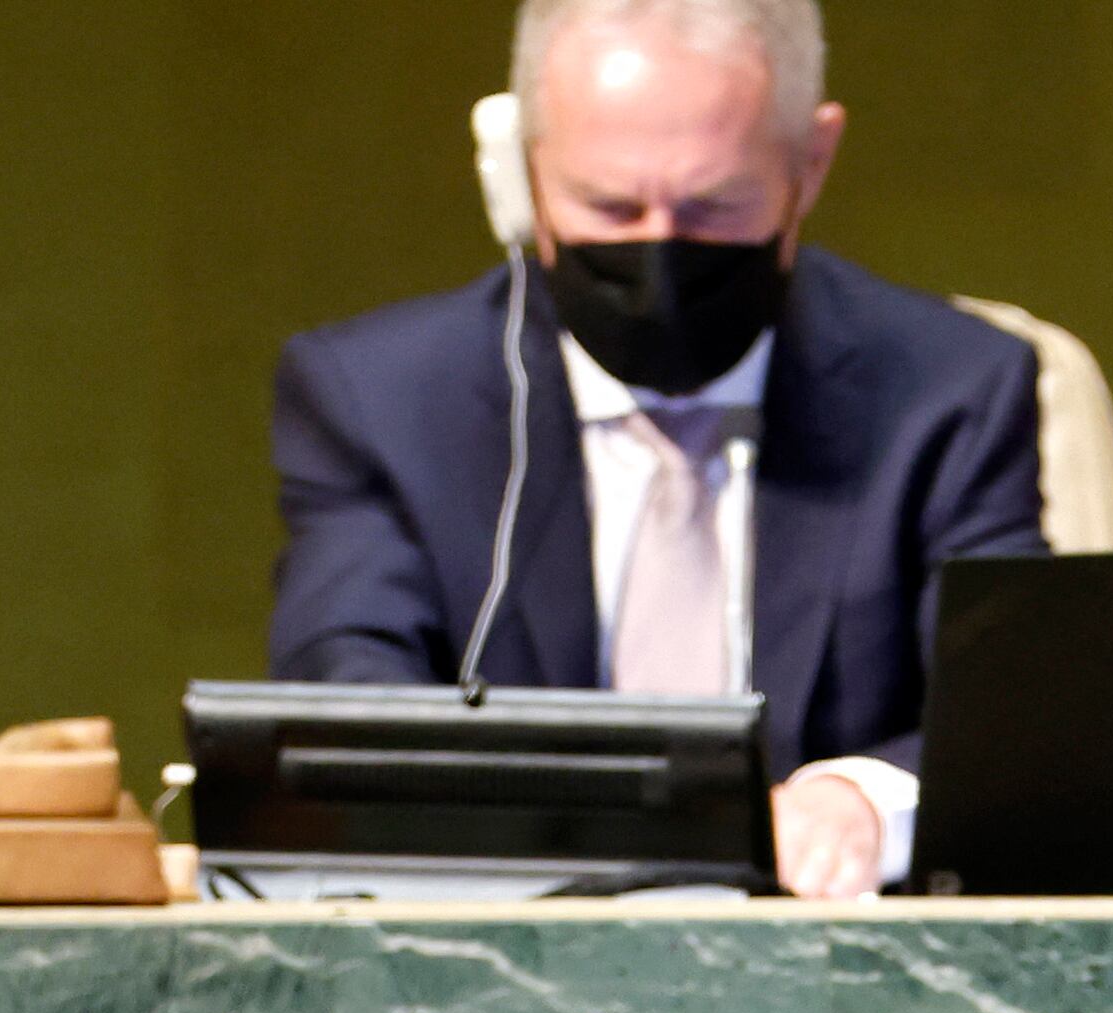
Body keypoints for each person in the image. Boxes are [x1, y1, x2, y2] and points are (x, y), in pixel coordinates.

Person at [266, 0, 1046, 901]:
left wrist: (865, 801)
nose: (658, 250)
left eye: (715, 207)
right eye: (608, 205)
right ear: (521, 175)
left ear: (811, 163)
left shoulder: (951, 393)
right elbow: (350, 701)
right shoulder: (382, 401)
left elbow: (1012, 727)